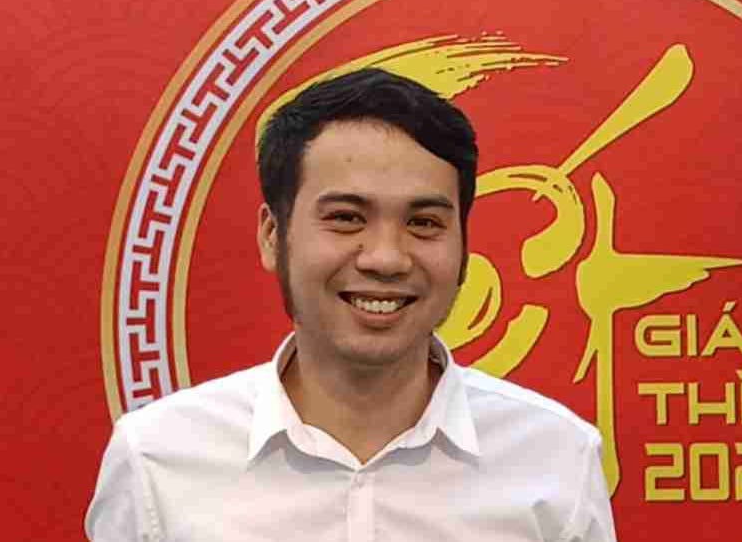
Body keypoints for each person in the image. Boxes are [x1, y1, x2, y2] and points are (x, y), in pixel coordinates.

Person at [85, 68, 617, 541]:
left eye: (424, 223)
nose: (386, 258)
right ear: (272, 234)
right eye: (346, 218)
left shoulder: (556, 459)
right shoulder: (157, 459)